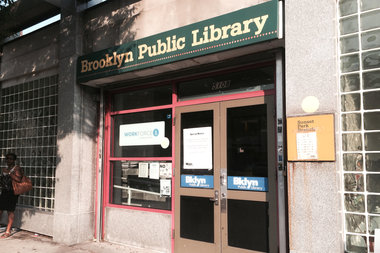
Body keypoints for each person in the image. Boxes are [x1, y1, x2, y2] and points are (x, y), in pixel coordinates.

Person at [0, 153, 22, 238]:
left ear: (14, 160)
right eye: (7, 159)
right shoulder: (5, 168)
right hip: (4, 191)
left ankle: (8, 231)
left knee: (10, 211)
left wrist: (9, 173)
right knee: (0, 210)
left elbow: (18, 179)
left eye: (11, 159)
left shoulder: (17, 169)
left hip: (12, 192)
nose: (9, 160)